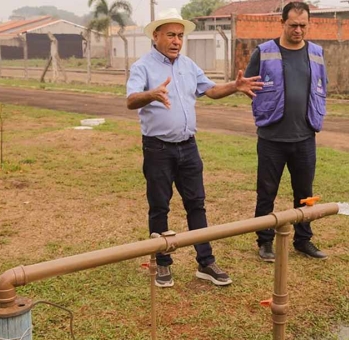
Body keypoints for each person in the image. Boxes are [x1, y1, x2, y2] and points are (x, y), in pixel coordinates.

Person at [126, 8, 263, 288]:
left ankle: (206, 262)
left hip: (188, 148)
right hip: (158, 149)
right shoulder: (142, 67)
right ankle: (163, 264)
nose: (177, 41)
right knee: (159, 207)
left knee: (196, 204)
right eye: (170, 35)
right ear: (156, 36)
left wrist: (234, 87)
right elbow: (130, 100)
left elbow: (211, 91)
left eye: (180, 35)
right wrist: (151, 94)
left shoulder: (188, 65)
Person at [244, 2, 328, 262]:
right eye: (293, 25)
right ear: (282, 23)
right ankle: (265, 242)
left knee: (305, 193)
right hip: (272, 138)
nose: (298, 30)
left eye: (303, 25)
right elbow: (248, 86)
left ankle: (303, 240)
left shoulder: (316, 53)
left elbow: (322, 86)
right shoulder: (264, 52)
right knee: (266, 192)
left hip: (304, 138)